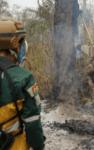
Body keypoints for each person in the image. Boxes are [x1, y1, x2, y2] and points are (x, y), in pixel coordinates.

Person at [0, 18, 45, 150]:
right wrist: (39, 146)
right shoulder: (23, 77)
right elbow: (32, 124)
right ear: (13, 44)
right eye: (20, 43)